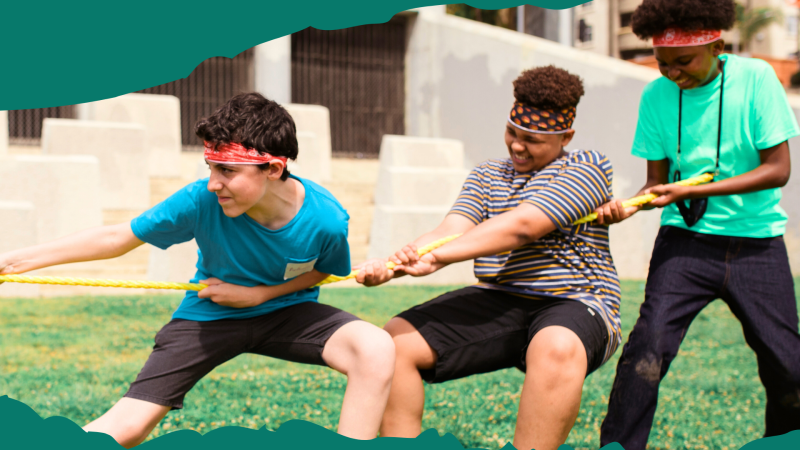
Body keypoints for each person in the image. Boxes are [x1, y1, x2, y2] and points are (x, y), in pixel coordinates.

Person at [0, 93, 395, 447]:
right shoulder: (199, 201)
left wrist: (259, 295)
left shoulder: (326, 219)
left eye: (227, 171)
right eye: (210, 167)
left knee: (374, 347)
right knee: (127, 427)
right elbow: (117, 237)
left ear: (273, 168)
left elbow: (323, 270)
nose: (212, 184)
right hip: (209, 315)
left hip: (288, 312)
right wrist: (13, 261)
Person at [356, 66, 621, 450]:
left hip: (576, 301)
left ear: (566, 137)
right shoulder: (487, 176)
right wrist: (402, 262)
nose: (517, 146)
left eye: (531, 140)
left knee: (556, 345)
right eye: (512, 133)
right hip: (502, 297)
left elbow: (523, 226)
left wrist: (439, 256)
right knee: (394, 342)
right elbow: (450, 231)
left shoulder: (587, 166)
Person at [594, 1, 800, 448]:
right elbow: (656, 182)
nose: (673, 74)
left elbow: (778, 169)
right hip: (685, 243)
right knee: (646, 350)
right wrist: (631, 205)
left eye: (683, 62)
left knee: (789, 367)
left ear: (716, 47)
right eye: (662, 63)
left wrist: (692, 189)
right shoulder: (656, 96)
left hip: (757, 243)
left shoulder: (757, 78)